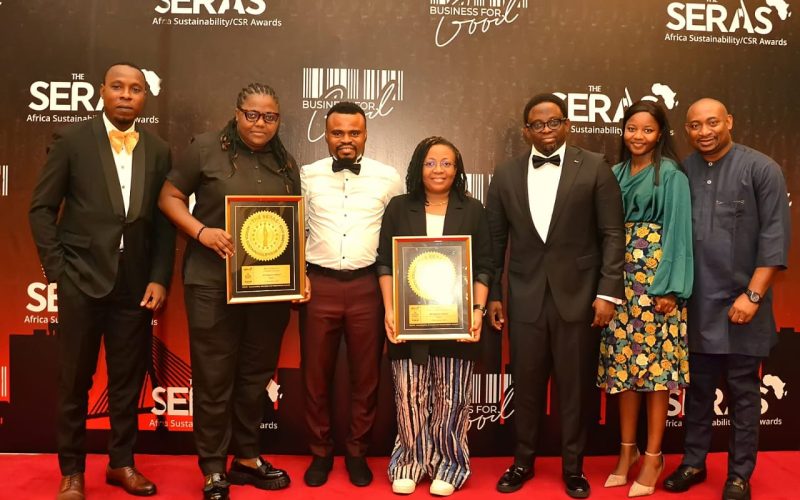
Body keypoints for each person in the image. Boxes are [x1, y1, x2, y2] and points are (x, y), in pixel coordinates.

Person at [29, 62, 176, 500]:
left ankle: (121, 463)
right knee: (74, 381)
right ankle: (72, 472)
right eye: (118, 87)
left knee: (127, 382)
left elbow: (163, 224)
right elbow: (41, 209)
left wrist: (159, 277)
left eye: (135, 89)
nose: (126, 95)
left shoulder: (159, 150)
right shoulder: (73, 141)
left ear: (144, 96)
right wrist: (59, 271)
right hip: (80, 280)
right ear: (102, 91)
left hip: (136, 286)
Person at [159, 83, 306, 500]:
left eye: (270, 117)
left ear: (278, 120)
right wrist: (201, 232)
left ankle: (246, 457)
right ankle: (212, 468)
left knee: (255, 376)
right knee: (214, 376)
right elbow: (169, 197)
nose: (260, 123)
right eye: (252, 115)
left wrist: (299, 274)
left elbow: (292, 224)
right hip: (211, 283)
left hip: (267, 288)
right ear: (237, 113)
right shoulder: (205, 149)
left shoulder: (285, 161)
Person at [486, 93, 625, 498]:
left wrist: (608, 293)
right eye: (537, 124)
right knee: (526, 386)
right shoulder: (506, 174)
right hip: (525, 296)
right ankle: (522, 462)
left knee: (575, 389)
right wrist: (493, 293)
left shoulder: (595, 167)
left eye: (553, 122)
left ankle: (573, 468)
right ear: (526, 130)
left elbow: (612, 235)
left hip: (580, 297)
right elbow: (495, 242)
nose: (545, 130)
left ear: (567, 125)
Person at [662, 98, 790, 500]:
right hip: (697, 305)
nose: (705, 132)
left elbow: (774, 237)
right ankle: (693, 462)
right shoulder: (682, 172)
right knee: (698, 392)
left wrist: (752, 295)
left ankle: (739, 475)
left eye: (712, 122)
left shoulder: (762, 169)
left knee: (743, 393)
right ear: (686, 130)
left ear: (729, 121)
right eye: (695, 125)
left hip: (743, 305)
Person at [375, 137, 493, 496]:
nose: (438, 170)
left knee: (452, 397)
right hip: (409, 321)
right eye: (430, 163)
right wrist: (390, 310)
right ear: (418, 167)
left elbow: (484, 266)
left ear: (457, 170)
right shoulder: (398, 207)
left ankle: (450, 464)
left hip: (456, 321)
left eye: (446, 163)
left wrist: (477, 311)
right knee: (409, 396)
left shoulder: (473, 210)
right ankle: (409, 461)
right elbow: (385, 263)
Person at [300, 101, 404, 487]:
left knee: (367, 377)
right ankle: (320, 453)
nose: (346, 139)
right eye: (338, 132)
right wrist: (298, 275)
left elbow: (401, 233)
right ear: (326, 135)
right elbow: (292, 227)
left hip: (368, 287)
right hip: (318, 285)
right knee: (315, 376)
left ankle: (357, 452)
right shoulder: (307, 175)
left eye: (354, 133)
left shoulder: (388, 178)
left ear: (365, 135)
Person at [596, 101, 693, 497]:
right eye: (632, 128)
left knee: (655, 374)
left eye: (647, 130)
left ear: (660, 134)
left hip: (656, 282)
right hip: (618, 281)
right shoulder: (614, 173)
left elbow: (678, 233)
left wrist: (669, 287)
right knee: (624, 370)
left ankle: (653, 456)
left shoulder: (670, 174)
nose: (638, 136)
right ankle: (627, 451)